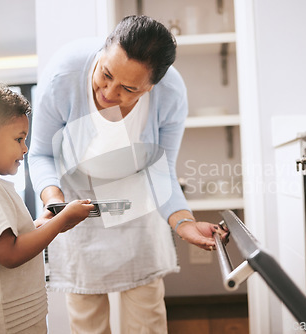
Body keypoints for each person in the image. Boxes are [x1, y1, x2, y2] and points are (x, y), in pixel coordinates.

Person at [29, 15, 227, 333]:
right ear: (103, 51)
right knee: (87, 323)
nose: (108, 92)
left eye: (128, 88)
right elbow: (40, 154)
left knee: (147, 320)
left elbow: (161, 172)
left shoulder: (171, 95)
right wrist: (55, 202)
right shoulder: (63, 75)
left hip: (138, 212)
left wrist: (184, 223)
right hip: (75, 210)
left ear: (151, 87)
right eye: (105, 74)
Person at [0, 76, 95, 333]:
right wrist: (61, 220)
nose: (25, 149)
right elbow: (10, 253)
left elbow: (7, 239)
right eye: (19, 139)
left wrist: (45, 223)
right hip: (2, 323)